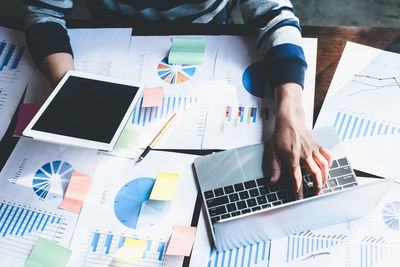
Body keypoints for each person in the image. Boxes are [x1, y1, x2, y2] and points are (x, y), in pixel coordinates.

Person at [24, 0, 332, 199]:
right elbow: (44, 11)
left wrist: (292, 111)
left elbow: (274, 16)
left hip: (209, 40)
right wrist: (69, 86)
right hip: (114, 39)